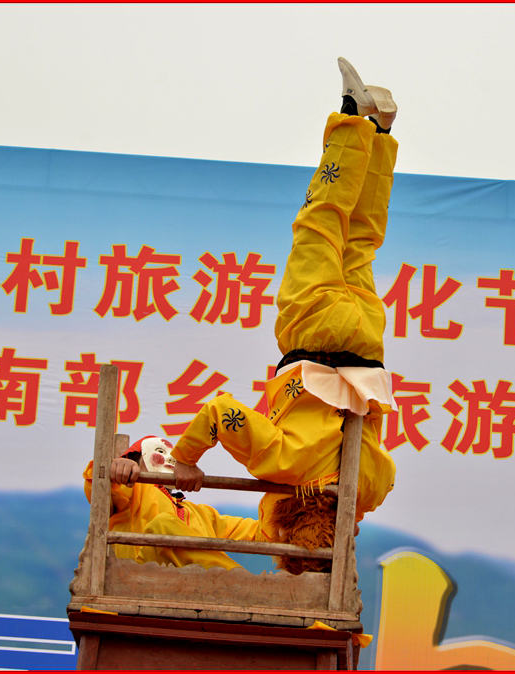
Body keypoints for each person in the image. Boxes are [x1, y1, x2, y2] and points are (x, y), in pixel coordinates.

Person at [97, 57, 399, 575]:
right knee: (319, 225)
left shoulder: (363, 483)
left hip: (367, 350)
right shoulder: (284, 463)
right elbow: (222, 413)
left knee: (362, 242)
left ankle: (380, 133)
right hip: (315, 331)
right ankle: (352, 118)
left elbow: (368, 485)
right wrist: (188, 458)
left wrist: (338, 520)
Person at [83, 435, 258, 570]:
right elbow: (100, 491)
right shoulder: (133, 489)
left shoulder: (201, 513)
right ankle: (237, 582)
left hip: (194, 585)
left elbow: (253, 530)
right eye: (160, 452)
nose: (171, 459)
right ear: (136, 462)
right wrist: (118, 469)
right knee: (163, 524)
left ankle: (233, 581)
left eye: (173, 455)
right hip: (143, 574)